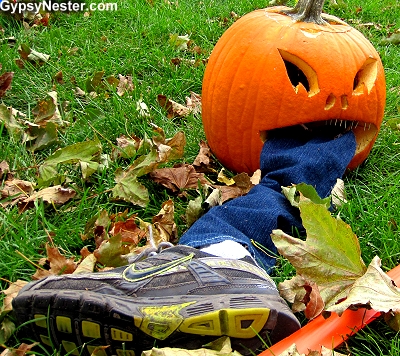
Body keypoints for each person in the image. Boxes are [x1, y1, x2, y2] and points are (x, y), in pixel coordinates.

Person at [12, 125, 357, 355]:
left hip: (330, 116)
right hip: (328, 120)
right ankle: (223, 265)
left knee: (281, 186)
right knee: (283, 185)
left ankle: (218, 258)